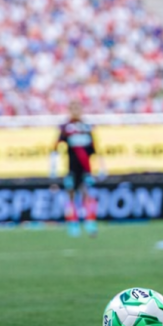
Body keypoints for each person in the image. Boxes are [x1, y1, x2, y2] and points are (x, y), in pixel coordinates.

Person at [50, 101, 105, 238]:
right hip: (71, 168)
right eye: (72, 108)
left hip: (86, 169)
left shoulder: (87, 127)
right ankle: (73, 224)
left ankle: (90, 222)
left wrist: (102, 167)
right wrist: (53, 167)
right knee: (71, 195)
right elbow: (56, 148)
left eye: (77, 108)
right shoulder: (65, 128)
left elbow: (95, 149)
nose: (75, 111)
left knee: (87, 194)